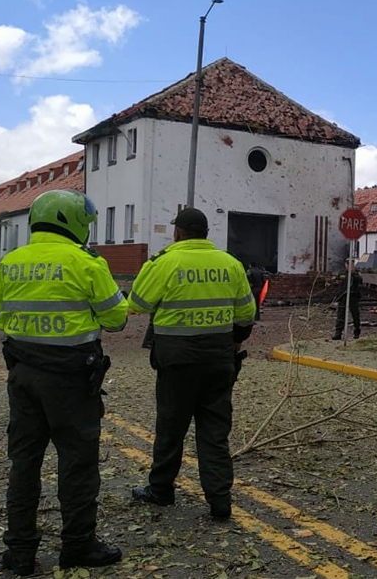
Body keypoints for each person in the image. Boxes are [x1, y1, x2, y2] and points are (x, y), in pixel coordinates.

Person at [0, 189, 128, 575]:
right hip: (71, 379)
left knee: (24, 463)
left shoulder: (10, 262)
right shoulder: (86, 263)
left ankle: (19, 552)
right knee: (77, 464)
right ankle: (79, 545)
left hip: (23, 375)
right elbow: (117, 318)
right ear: (74, 222)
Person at [127, 208, 255, 520]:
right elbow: (246, 315)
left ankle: (161, 490)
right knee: (215, 432)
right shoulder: (230, 264)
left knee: (171, 427)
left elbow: (137, 304)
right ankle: (220, 501)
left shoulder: (164, 262)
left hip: (177, 361)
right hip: (219, 360)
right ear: (206, 232)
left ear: (179, 233)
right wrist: (233, 343)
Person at [331, 260, 362, 340]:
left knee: (355, 315)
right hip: (343, 296)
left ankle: (357, 332)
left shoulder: (356, 274)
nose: (349, 266)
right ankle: (338, 333)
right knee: (340, 315)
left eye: (351, 264)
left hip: (353, 296)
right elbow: (336, 282)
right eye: (347, 264)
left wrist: (352, 273)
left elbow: (360, 281)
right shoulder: (342, 274)